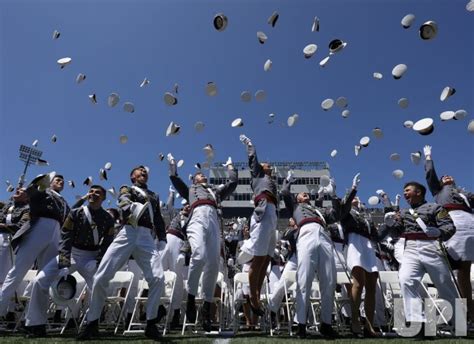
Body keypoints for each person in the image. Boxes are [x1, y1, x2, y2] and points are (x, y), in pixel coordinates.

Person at [78, 166, 166, 340]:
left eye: (146, 171)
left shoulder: (154, 196)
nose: (144, 172)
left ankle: (150, 324)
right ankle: (92, 322)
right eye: (139, 171)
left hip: (146, 236)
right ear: (132, 176)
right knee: (101, 276)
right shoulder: (127, 188)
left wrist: (162, 237)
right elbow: (123, 200)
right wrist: (130, 208)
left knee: (158, 278)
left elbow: (157, 218)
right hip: (128, 231)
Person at [24, 185, 115, 337]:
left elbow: (108, 242)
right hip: (71, 253)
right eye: (91, 191)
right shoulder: (76, 213)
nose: (93, 194)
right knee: (39, 281)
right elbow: (65, 235)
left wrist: (98, 260)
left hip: (91, 257)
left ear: (104, 198)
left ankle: (92, 325)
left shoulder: (108, 219)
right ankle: (36, 324)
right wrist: (65, 259)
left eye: (98, 193)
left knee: (98, 286)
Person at [168, 154, 237, 331]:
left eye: (203, 175)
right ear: (194, 179)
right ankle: (191, 297)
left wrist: (230, 167)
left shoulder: (215, 191)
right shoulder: (190, 190)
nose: (202, 176)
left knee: (213, 263)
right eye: (199, 175)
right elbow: (175, 178)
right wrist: (173, 164)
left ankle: (206, 308)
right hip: (197, 216)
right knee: (198, 254)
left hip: (213, 218)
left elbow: (233, 184)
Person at [383, 181, 458, 329]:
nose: (405, 194)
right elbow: (397, 232)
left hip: (431, 246)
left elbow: (450, 226)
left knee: (444, 285)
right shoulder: (403, 212)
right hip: (410, 248)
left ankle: (459, 322)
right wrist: (390, 225)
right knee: (406, 280)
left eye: (408, 190)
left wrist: (439, 232)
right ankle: (417, 322)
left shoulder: (435, 208)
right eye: (404, 191)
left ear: (418, 192)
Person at [0, 173, 69, 318]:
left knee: (44, 276)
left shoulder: (64, 201)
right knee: (17, 271)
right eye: (57, 179)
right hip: (39, 225)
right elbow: (30, 192)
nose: (60, 182)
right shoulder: (43, 191)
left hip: (57, 231)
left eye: (62, 181)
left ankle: (34, 319)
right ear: (49, 182)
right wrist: (40, 183)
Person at [281, 172, 339, 338]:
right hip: (305, 233)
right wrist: (288, 181)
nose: (304, 193)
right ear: (297, 199)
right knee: (304, 279)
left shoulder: (319, 210)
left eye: (306, 193)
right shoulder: (295, 208)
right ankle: (301, 324)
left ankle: (326, 324)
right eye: (301, 193)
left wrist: (333, 195)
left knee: (329, 280)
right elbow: (285, 193)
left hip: (324, 234)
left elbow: (336, 214)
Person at [423, 145, 474, 320]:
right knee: (451, 267)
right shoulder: (438, 191)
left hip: (470, 225)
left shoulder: (464, 193)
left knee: (465, 271)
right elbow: (430, 176)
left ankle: (469, 313)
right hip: (452, 223)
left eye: (450, 176)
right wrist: (428, 157)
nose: (447, 177)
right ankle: (456, 313)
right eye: (444, 177)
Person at [238, 135, 278, 317]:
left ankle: (257, 293)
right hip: (263, 211)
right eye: (267, 164)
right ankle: (254, 297)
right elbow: (253, 159)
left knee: (266, 258)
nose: (269, 165)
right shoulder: (258, 174)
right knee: (258, 258)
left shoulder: (271, 180)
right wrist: (250, 144)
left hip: (273, 213)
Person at [339, 173, 380, 337]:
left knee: (371, 285)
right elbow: (344, 205)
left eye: (358, 198)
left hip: (369, 244)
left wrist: (389, 227)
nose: (357, 200)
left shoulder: (367, 216)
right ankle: (355, 320)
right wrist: (353, 189)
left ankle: (369, 325)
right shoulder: (346, 213)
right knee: (358, 283)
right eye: (355, 199)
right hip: (354, 242)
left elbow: (377, 235)